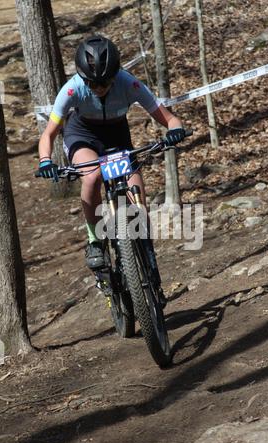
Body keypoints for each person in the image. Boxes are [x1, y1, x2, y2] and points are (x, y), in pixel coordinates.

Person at [38, 35, 186, 302]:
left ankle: (150, 268)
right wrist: (45, 160)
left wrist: (175, 131)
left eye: (105, 82)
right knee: (92, 176)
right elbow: (48, 134)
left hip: (117, 138)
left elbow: (169, 118)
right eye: (92, 83)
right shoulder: (72, 90)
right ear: (83, 78)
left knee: (139, 201)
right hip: (82, 135)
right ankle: (95, 240)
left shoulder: (130, 83)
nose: (99, 88)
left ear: (116, 74)